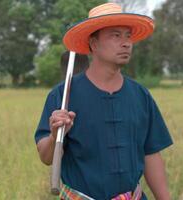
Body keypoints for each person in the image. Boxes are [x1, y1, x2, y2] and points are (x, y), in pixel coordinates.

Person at [34, 3, 173, 200]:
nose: (126, 43)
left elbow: (151, 154)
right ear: (94, 43)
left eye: (128, 36)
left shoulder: (141, 96)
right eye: (116, 35)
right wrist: (56, 134)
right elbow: (46, 157)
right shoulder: (62, 96)